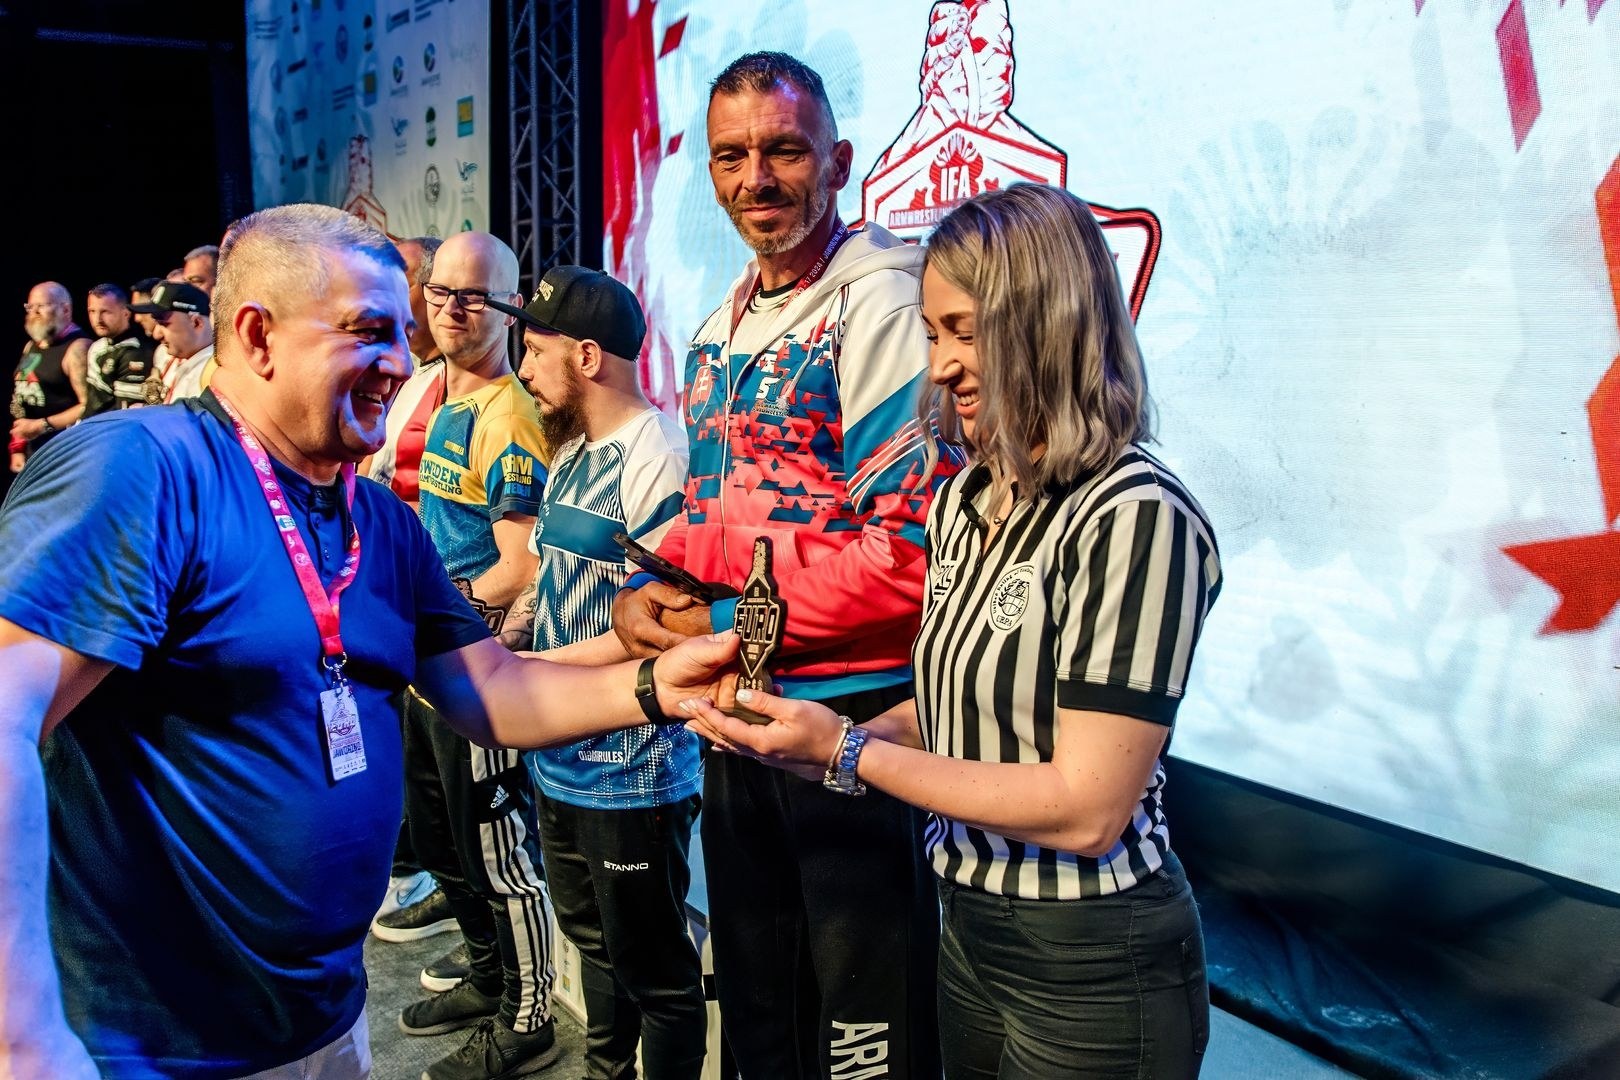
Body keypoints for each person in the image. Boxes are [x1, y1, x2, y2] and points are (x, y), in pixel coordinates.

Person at [0, 202, 737, 1080]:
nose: (399, 360)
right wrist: (28, 1037)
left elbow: (496, 691)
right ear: (257, 335)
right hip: (147, 1049)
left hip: (325, 1026)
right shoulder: (147, 471)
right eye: (368, 331)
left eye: (404, 331)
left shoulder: (380, 523)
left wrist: (661, 684)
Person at [683, 183, 1222, 1079]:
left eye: (966, 331)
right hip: (966, 927)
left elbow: (1089, 810)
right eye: (934, 334)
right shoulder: (972, 497)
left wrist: (850, 753)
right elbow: (956, 715)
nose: (940, 366)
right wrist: (804, 744)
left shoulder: (1135, 513)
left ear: (1047, 321)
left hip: (1090, 956)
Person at [610, 51, 958, 1079]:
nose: (756, 177)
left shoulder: (883, 300)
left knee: (865, 1035)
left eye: (783, 149)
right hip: (739, 711)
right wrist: (648, 586)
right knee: (759, 1014)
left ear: (839, 160)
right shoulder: (726, 318)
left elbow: (909, 555)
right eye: (731, 155)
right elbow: (712, 516)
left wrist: (723, 624)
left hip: (854, 721)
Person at [491, 267, 707, 1079]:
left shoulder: (657, 454)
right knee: (594, 951)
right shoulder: (576, 447)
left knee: (658, 976)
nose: (524, 367)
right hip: (561, 755)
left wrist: (530, 669)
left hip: (632, 771)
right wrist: (505, 641)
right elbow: (553, 583)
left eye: (535, 349)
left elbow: (660, 630)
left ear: (587, 355)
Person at [391, 231, 563, 1080]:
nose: (452, 308)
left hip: (478, 670)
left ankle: (528, 1018)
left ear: (509, 307)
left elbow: (520, 565)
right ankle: (489, 978)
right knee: (441, 841)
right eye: (440, 291)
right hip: (428, 672)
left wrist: (429, 619)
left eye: (475, 296)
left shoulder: (508, 412)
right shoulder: (436, 395)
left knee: (500, 855)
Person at [10, 281, 90, 472]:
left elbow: (89, 406)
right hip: (33, 455)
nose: (34, 313)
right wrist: (17, 446)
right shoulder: (31, 346)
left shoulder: (78, 348)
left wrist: (42, 425)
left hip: (64, 455)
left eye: (41, 307)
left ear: (65, 309)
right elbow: (20, 397)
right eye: (30, 307)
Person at [130, 280, 213, 403]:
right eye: (157, 323)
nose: (156, 334)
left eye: (164, 324)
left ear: (196, 322)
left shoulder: (214, 373)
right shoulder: (173, 356)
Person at [82, 283, 156, 417]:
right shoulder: (97, 346)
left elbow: (125, 412)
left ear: (126, 313)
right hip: (89, 426)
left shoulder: (135, 350)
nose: (98, 319)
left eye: (105, 312)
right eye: (92, 311)